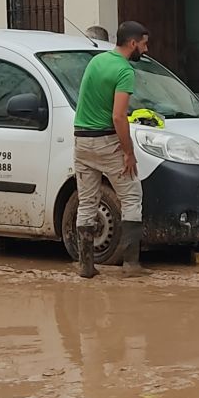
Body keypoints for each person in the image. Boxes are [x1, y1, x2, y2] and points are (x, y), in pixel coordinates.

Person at [71, 20, 150, 278]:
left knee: (87, 202)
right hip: (106, 141)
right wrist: (128, 152)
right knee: (131, 196)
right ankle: (131, 264)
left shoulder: (97, 61)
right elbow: (118, 117)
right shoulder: (125, 71)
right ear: (132, 43)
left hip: (81, 140)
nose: (146, 50)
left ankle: (86, 266)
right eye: (144, 44)